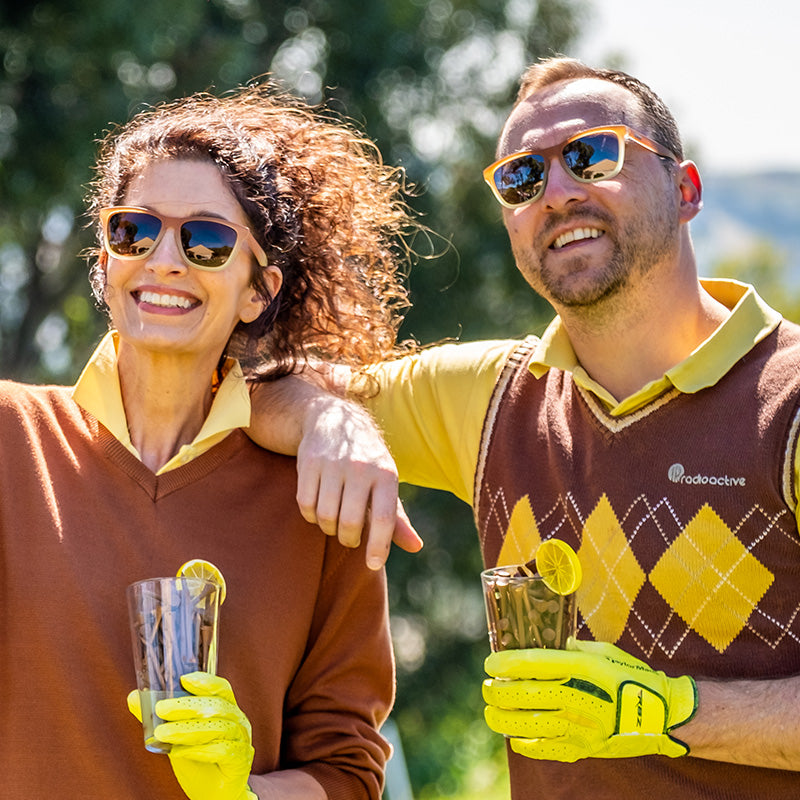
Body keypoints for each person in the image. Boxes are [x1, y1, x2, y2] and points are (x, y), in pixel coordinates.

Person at [249, 57, 800, 799]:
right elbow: (253, 392)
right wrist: (326, 414)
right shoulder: (490, 398)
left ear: (686, 189)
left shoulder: (788, 401)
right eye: (521, 177)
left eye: (590, 154)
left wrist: (666, 711)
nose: (558, 192)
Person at [3, 83, 424, 800]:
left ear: (258, 290)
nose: (164, 259)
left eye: (206, 240)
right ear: (105, 261)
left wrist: (240, 793)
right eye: (134, 231)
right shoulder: (12, 441)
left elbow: (348, 774)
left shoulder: (322, 494)